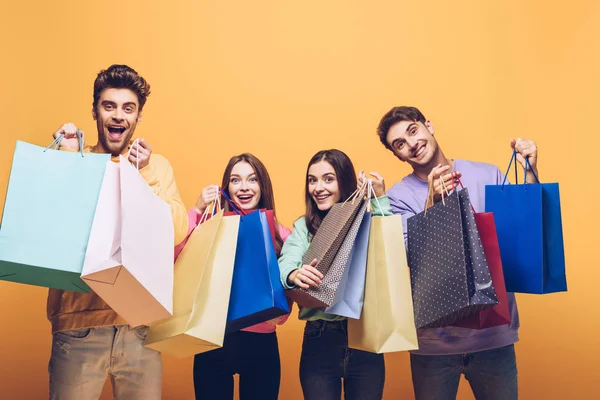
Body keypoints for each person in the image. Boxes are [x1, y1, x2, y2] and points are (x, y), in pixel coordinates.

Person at [376, 106, 539, 400]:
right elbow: (411, 259)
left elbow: (522, 232)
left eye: (413, 131)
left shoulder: (487, 173)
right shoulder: (397, 198)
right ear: (398, 155)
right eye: (399, 144)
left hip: (494, 338)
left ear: (429, 125)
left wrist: (529, 170)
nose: (411, 143)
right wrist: (433, 204)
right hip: (433, 345)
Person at [47, 64, 188, 400]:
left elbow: (177, 229)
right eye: (109, 105)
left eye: (128, 108)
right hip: (77, 326)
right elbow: (52, 223)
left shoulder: (155, 166)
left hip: (139, 328)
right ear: (95, 111)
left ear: (138, 117)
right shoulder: (73, 156)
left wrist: (143, 175)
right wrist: (64, 156)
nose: (118, 115)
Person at [176, 153, 291, 400]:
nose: (244, 187)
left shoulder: (281, 235)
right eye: (235, 180)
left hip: (262, 346)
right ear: (226, 187)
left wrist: (277, 311)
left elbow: (285, 306)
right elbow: (176, 258)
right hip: (213, 341)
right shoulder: (211, 226)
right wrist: (196, 210)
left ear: (263, 186)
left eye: (252, 179)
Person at [278, 149, 390, 400]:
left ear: (344, 181)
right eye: (312, 180)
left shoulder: (366, 221)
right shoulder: (303, 227)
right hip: (320, 339)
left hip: (365, 337)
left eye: (328, 179)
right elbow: (286, 262)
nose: (318, 187)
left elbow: (388, 249)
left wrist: (379, 200)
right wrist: (293, 273)